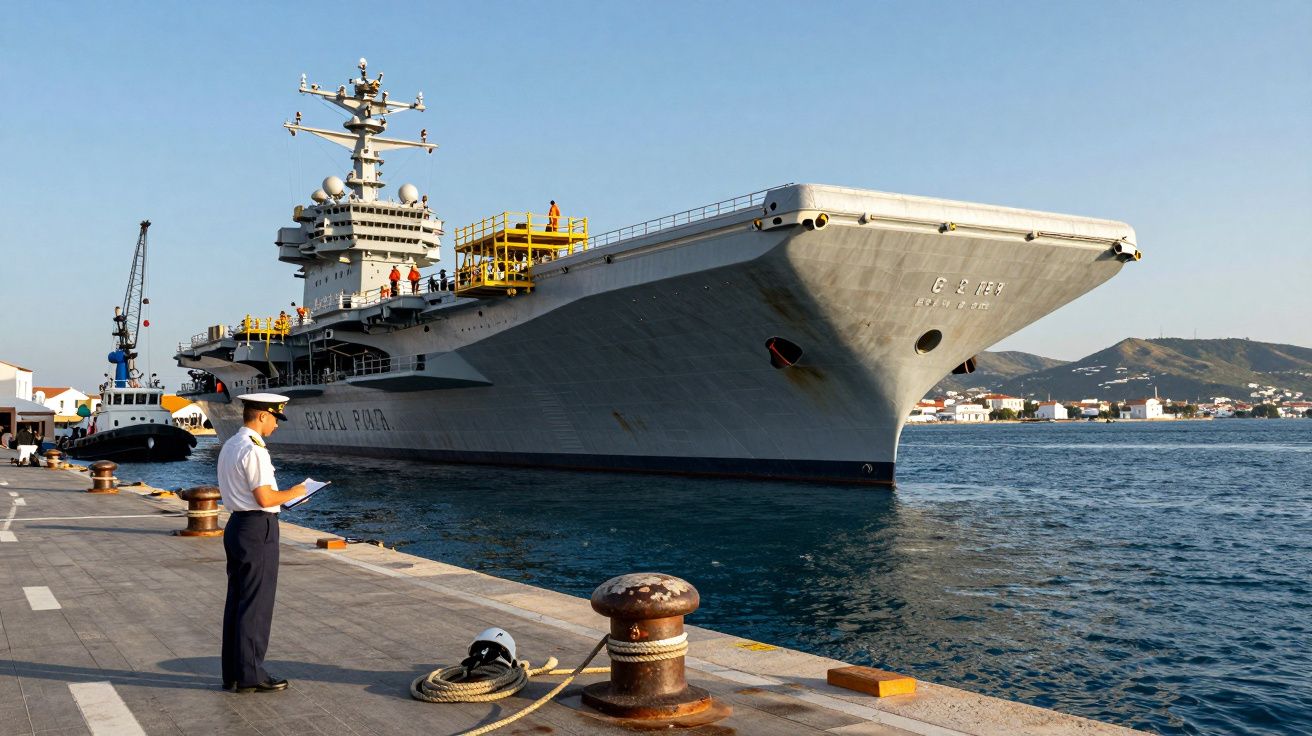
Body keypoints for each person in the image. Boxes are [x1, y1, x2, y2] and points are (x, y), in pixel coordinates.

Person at [217, 393, 307, 694]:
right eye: (275, 419)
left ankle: (233, 672)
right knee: (256, 603)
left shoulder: (231, 445)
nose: (277, 426)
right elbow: (266, 498)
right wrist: (296, 491)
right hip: (258, 527)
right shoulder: (255, 451)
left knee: (238, 601)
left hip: (236, 526)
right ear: (263, 416)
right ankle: (251, 674)